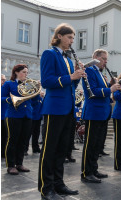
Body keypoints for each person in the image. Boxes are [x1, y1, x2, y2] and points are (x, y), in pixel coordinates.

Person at [38, 23, 85, 199]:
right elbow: (47, 81)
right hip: (54, 108)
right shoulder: (49, 54)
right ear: (59, 36)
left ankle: (58, 184)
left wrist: (77, 76)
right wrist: (71, 76)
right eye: (70, 37)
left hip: (68, 109)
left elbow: (70, 85)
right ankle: (46, 188)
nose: (72, 41)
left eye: (73, 38)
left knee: (61, 150)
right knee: (49, 149)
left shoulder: (66, 59)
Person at [80, 49, 121, 183]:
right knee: (90, 144)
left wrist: (109, 84)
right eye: (103, 59)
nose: (106, 61)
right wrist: (110, 89)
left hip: (102, 112)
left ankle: (94, 169)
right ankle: (86, 172)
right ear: (96, 58)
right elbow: (92, 91)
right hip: (94, 112)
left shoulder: (99, 73)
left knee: (98, 144)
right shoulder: (90, 70)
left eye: (106, 59)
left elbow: (101, 90)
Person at [1, 64, 32, 175]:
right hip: (13, 115)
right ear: (16, 73)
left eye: (27, 72)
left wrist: (37, 90)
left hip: (27, 115)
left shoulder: (28, 84)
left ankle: (19, 163)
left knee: (23, 142)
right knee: (12, 140)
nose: (26, 74)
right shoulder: (9, 84)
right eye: (24, 72)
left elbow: (34, 99)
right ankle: (10, 165)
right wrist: (11, 99)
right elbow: (0, 97)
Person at [1, 74, 8, 158]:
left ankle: (3, 152)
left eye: (4, 79)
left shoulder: (5, 89)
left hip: (5, 116)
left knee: (5, 136)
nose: (4, 81)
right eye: (2, 79)